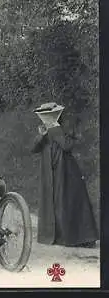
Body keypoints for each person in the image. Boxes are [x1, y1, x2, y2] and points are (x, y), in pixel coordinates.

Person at [31, 102, 98, 248]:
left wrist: (53, 131)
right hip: (57, 170)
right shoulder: (49, 129)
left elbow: (64, 145)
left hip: (61, 169)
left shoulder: (54, 128)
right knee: (61, 201)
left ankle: (67, 237)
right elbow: (37, 148)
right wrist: (45, 135)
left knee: (64, 201)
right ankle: (64, 236)